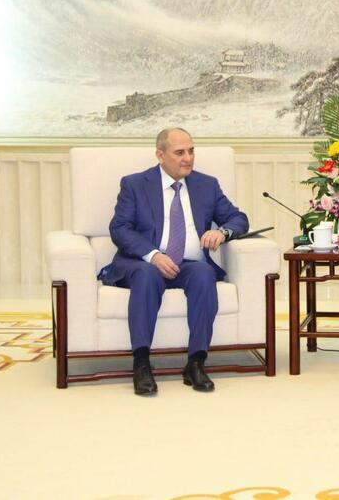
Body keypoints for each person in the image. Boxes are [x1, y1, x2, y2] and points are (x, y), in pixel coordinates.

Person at [99, 127, 249, 396]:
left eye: (191, 151)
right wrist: (153, 255)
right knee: (147, 275)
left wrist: (222, 232)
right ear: (160, 155)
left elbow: (239, 218)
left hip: (188, 263)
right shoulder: (135, 184)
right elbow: (119, 228)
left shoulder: (207, 184)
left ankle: (196, 363)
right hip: (144, 262)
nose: (188, 158)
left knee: (204, 274)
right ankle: (141, 364)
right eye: (179, 152)